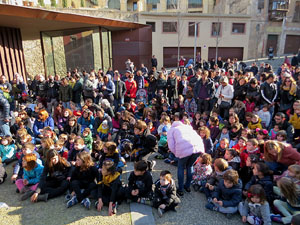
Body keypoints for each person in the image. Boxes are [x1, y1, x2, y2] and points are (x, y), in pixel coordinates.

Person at [167, 121, 205, 196]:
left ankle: (180, 189)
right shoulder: (188, 127)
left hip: (184, 148)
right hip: (197, 148)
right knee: (190, 166)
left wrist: (177, 154)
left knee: (180, 167)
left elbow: (171, 146)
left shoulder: (172, 130)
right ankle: (187, 187)